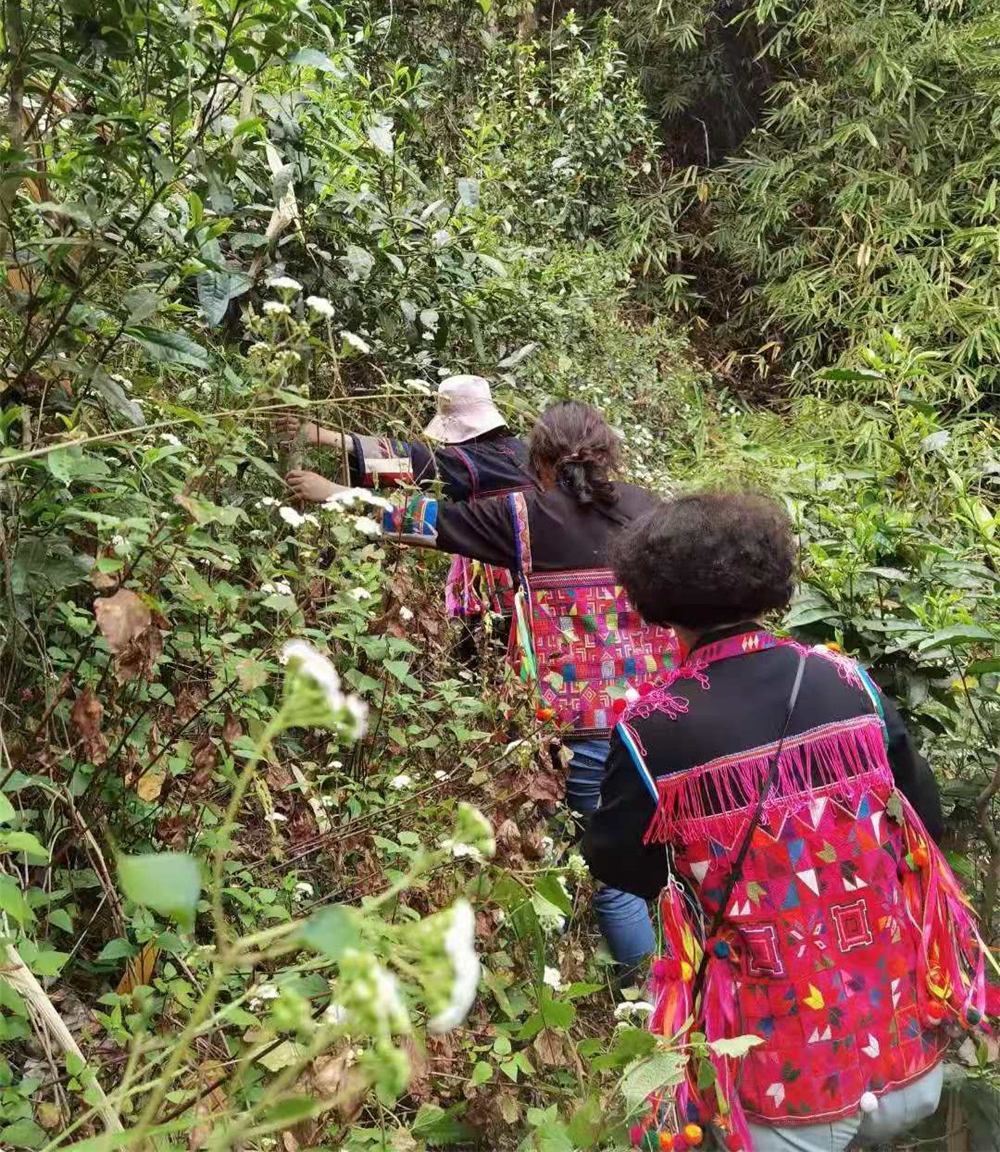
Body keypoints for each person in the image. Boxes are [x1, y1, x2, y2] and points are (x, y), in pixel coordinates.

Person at [585, 492, 990, 1152]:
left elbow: (618, 860)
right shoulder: (848, 681)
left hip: (778, 1087)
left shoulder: (652, 728)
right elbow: (926, 822)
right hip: (904, 1052)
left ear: (652, 599)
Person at [292, 400, 677, 976]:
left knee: (614, 879)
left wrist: (334, 494)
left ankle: (646, 1005)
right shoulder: (653, 511)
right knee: (673, 861)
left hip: (583, 729)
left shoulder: (524, 515)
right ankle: (689, 989)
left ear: (538, 461)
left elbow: (425, 521)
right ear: (608, 455)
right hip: (665, 721)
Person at [279, 375, 533, 637]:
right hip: (532, 584)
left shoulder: (473, 461)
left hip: (507, 592)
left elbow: (419, 467)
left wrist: (333, 487)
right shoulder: (520, 451)